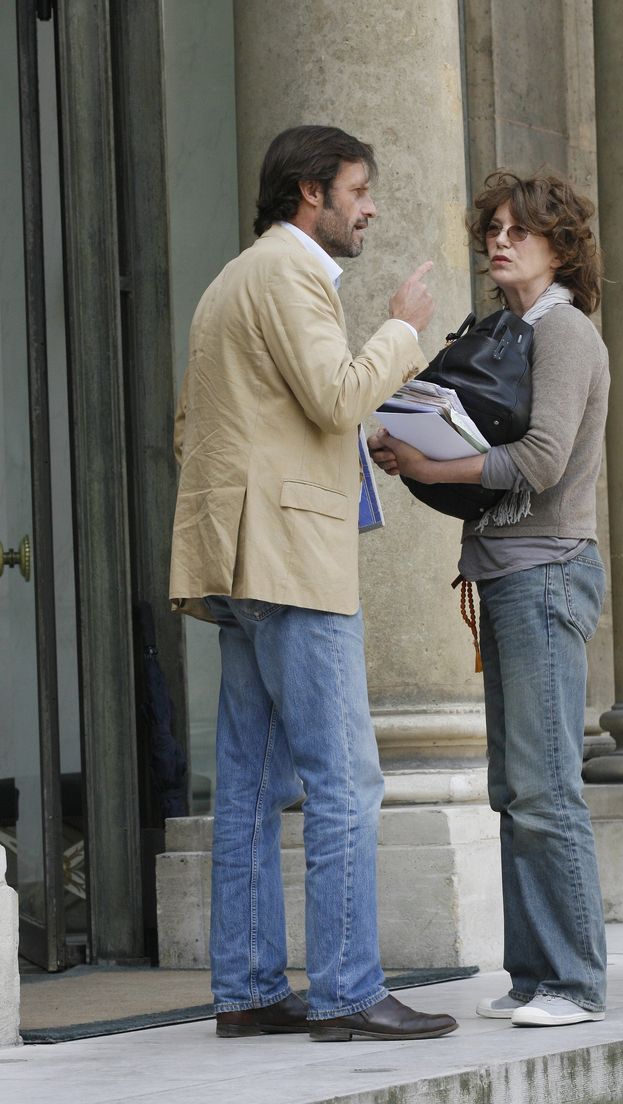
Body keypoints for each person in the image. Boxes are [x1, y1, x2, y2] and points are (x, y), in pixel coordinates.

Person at [169, 125, 457, 1042]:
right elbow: (336, 396)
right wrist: (404, 327)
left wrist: (341, 457)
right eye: (358, 190)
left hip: (243, 559)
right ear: (309, 194)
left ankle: (249, 992)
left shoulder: (228, 281)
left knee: (251, 787)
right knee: (345, 779)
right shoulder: (290, 275)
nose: (369, 207)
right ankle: (344, 992)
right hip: (294, 561)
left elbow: (216, 428)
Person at [369, 170, 609, 1028]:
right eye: (494, 229)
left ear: (560, 244)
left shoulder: (566, 331)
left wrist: (435, 466)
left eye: (518, 229)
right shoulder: (510, 330)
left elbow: (541, 461)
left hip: (545, 573)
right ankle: (534, 976)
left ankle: (575, 982)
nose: (499, 241)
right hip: (507, 571)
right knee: (515, 788)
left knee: (546, 786)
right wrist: (415, 450)